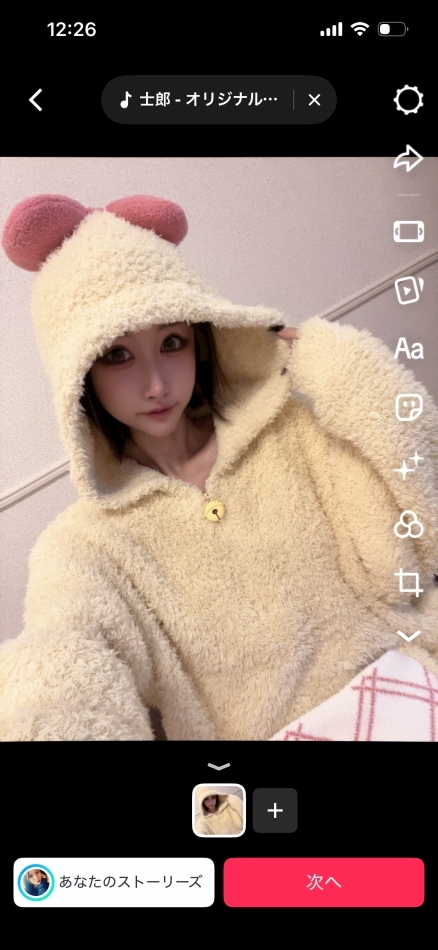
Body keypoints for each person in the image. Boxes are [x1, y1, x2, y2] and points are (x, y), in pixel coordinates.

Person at [0, 193, 437, 742]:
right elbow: (66, 663)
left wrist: (337, 360)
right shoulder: (85, 546)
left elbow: (416, 511)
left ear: (202, 340)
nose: (156, 384)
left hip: (409, 693)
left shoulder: (296, 431)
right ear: (79, 373)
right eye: (117, 354)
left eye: (172, 342)